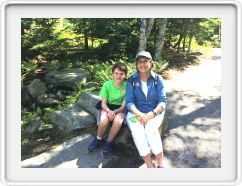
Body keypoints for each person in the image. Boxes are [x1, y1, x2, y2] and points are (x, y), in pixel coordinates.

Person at [125, 51, 167, 168]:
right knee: (137, 131)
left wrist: (152, 114)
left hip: (155, 112)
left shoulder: (158, 79)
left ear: (151, 63)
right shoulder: (132, 80)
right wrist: (140, 114)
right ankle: (150, 166)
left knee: (150, 129)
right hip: (135, 113)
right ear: (136, 64)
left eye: (145, 61)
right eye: (140, 62)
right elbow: (129, 102)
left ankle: (161, 163)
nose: (142, 64)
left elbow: (163, 101)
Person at [88, 62, 127, 158]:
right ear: (112, 73)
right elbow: (103, 104)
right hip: (107, 107)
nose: (119, 76)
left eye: (122, 74)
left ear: (125, 75)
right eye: (116, 73)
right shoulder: (107, 84)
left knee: (118, 120)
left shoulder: (127, 86)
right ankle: (98, 138)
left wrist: (115, 112)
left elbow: (123, 106)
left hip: (119, 109)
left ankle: (108, 142)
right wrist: (109, 111)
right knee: (103, 119)